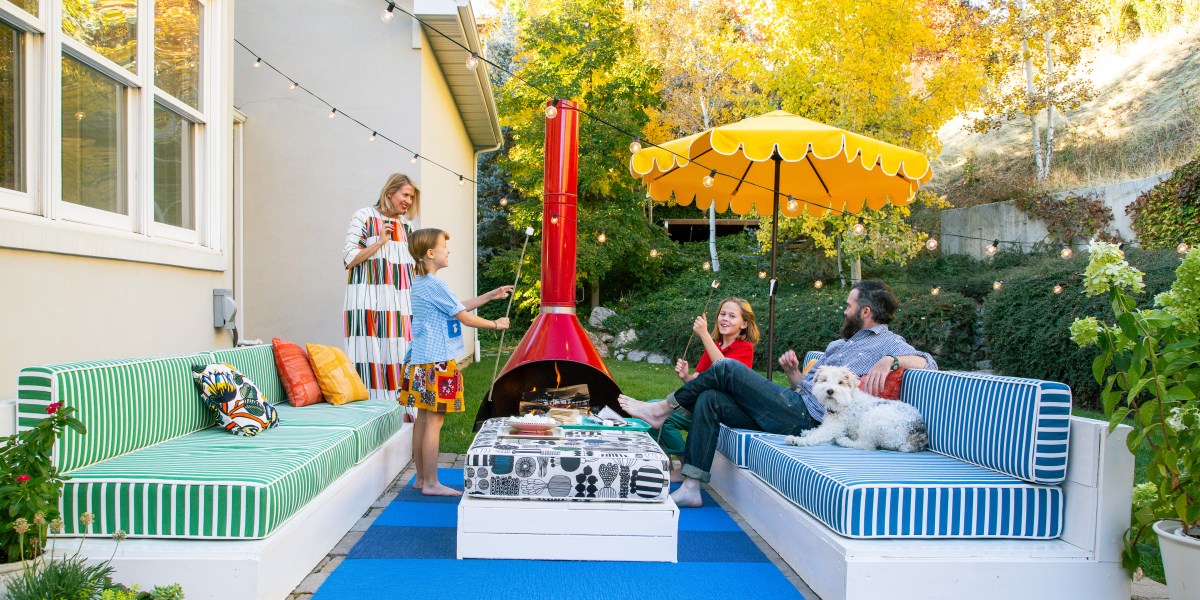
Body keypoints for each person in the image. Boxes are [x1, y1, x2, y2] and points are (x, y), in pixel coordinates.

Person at [619, 280, 937, 508]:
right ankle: (691, 486)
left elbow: (929, 362)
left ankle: (661, 410)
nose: (845, 310)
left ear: (865, 312)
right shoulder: (841, 344)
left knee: (726, 368)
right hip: (795, 405)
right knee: (710, 399)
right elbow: (807, 386)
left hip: (809, 418)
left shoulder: (887, 343)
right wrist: (795, 374)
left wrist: (892, 360)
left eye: (849, 306)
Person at [400, 228, 513, 496]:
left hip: (420, 360)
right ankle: (431, 483)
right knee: (434, 422)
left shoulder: (421, 283)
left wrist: (489, 295)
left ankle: (421, 479)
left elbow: (455, 307)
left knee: (423, 420)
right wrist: (496, 324)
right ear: (431, 253)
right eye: (444, 246)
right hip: (437, 363)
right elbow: (464, 317)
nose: (448, 250)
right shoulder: (436, 285)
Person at [654, 298, 758, 481]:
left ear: (744, 324)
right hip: (698, 404)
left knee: (662, 416)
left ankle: (683, 463)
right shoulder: (715, 346)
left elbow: (724, 369)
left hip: (717, 409)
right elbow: (696, 381)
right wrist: (686, 377)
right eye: (722, 314)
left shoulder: (745, 348)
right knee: (654, 410)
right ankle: (669, 460)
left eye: (732, 316)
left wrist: (704, 335)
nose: (725, 319)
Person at [343, 173, 421, 402]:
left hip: (400, 304)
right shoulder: (364, 216)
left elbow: (413, 268)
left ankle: (403, 416)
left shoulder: (407, 226)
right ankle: (369, 413)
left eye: (411, 197)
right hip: (366, 300)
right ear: (390, 192)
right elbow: (349, 258)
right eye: (405, 195)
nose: (408, 201)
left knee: (400, 357)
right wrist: (379, 242)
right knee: (367, 357)